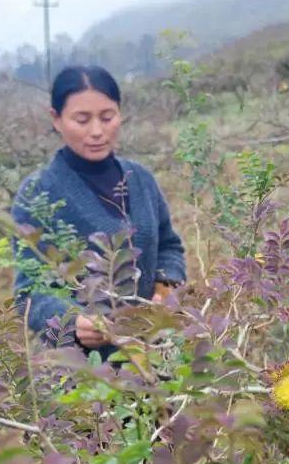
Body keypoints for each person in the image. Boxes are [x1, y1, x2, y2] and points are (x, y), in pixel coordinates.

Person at [10, 65, 187, 358]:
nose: (97, 131)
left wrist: (166, 286)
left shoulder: (140, 179)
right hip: (88, 377)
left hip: (157, 356)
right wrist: (73, 324)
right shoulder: (38, 195)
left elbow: (169, 245)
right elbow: (28, 296)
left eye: (107, 117)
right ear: (56, 119)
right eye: (82, 119)